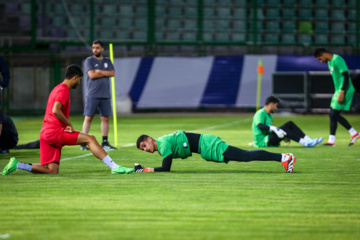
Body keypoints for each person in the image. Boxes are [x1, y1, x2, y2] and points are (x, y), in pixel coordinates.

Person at [2, 65, 133, 175]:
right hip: (54, 132)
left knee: (52, 171)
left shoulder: (56, 88)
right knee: (90, 138)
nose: (79, 83)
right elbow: (55, 110)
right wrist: (68, 124)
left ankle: (18, 165)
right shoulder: (63, 90)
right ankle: (115, 167)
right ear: (74, 77)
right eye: (79, 80)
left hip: (45, 133)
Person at [135, 130, 296, 173]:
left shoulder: (162, 145)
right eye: (143, 149)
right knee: (244, 156)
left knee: (245, 156)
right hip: (206, 145)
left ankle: (284, 157)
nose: (146, 150)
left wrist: (144, 170)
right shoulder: (163, 144)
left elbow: (166, 169)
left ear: (149, 139)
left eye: (144, 145)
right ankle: (283, 158)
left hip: (208, 144)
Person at [314, 48, 359, 146]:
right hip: (338, 90)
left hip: (345, 90)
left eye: (320, 59)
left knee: (334, 114)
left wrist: (342, 91)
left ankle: (354, 133)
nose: (320, 61)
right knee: (332, 114)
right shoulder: (330, 62)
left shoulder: (337, 59)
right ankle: (331, 140)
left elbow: (346, 76)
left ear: (324, 54)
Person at [81, 40, 116, 151]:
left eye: (97, 48)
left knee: (105, 118)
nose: (95, 50)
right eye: (93, 47)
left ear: (102, 49)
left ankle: (105, 142)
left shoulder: (106, 60)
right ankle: (83, 143)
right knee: (88, 118)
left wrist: (99, 71)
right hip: (93, 94)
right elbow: (92, 75)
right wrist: (105, 73)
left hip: (105, 94)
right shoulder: (89, 60)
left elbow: (112, 73)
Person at [252, 96, 323, 148]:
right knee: (284, 129)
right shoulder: (260, 113)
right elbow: (260, 126)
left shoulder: (269, 115)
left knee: (290, 124)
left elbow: (268, 130)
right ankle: (306, 143)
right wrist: (275, 128)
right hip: (263, 141)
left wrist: (284, 136)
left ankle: (309, 140)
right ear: (271, 104)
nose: (276, 108)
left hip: (268, 139)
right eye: (276, 105)